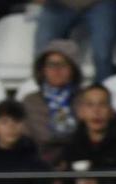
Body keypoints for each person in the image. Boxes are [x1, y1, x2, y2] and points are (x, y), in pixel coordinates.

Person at [22, 40, 83, 168]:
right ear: (43, 70)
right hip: (38, 166)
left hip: (78, 164)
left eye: (63, 64)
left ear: (73, 69)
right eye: (51, 64)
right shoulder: (30, 102)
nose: (56, 70)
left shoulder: (85, 99)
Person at [35, 0, 116, 83]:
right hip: (59, 4)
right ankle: (45, 87)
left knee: (102, 54)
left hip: (100, 3)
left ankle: (103, 88)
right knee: (43, 49)